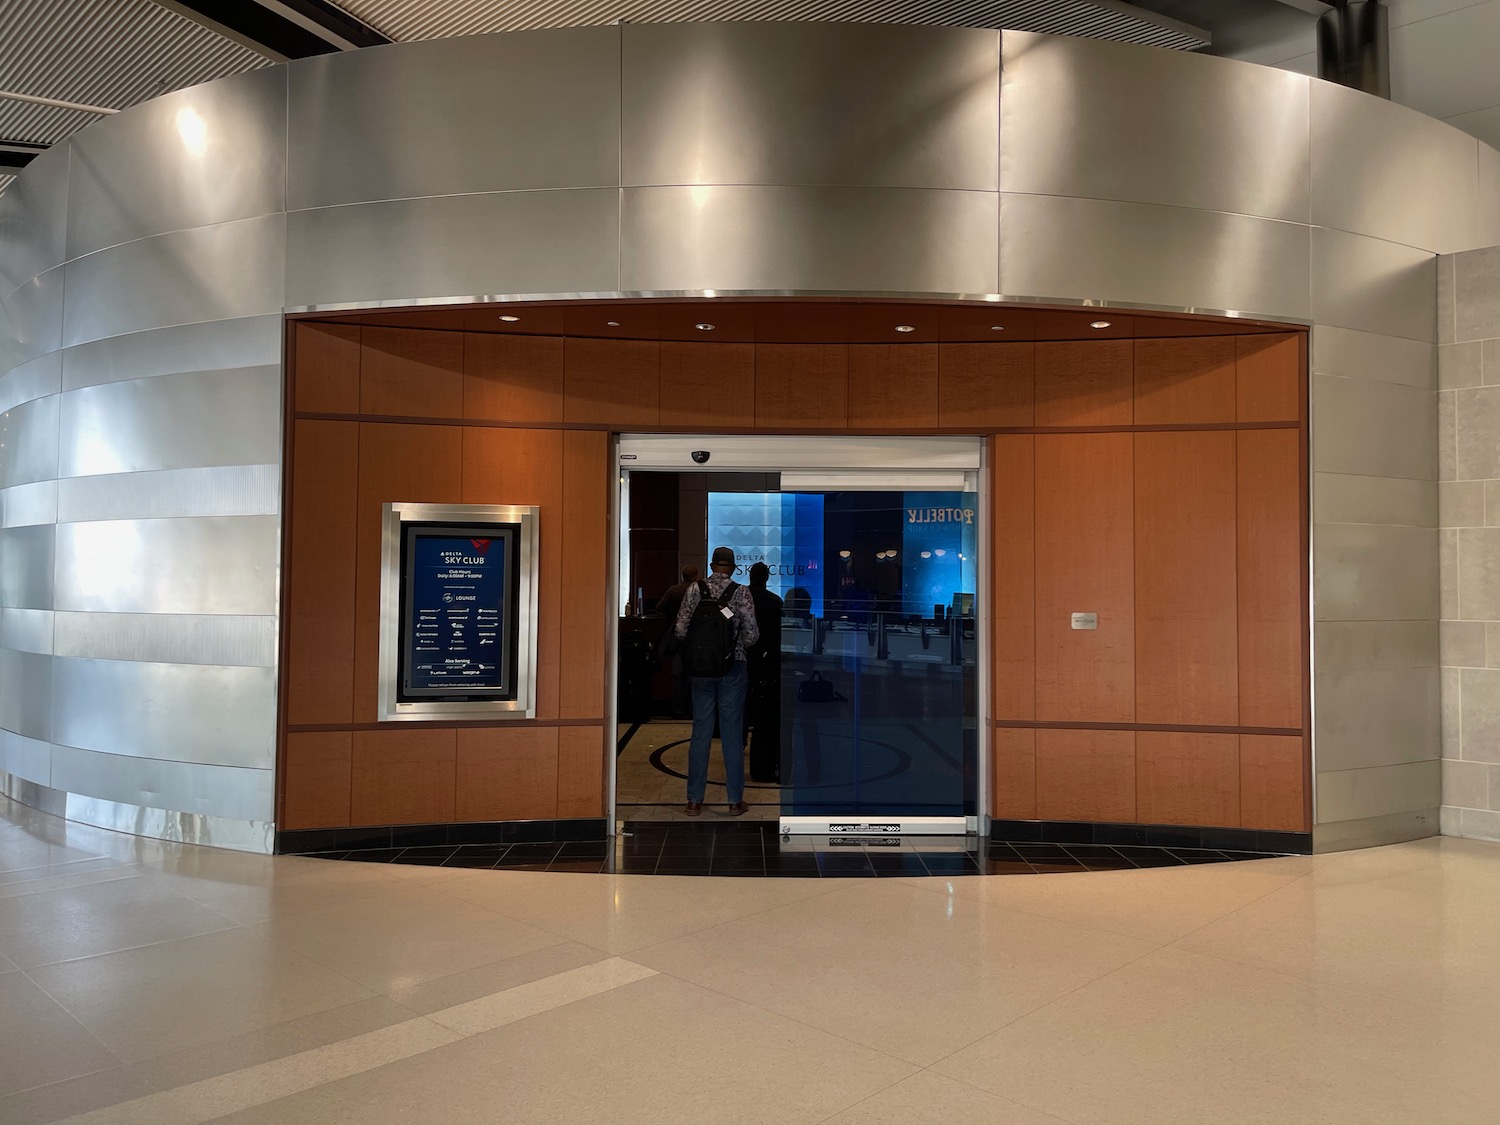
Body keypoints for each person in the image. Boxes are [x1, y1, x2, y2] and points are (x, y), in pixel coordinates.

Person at [674, 546, 758, 815]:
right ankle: (734, 801)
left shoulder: (694, 590)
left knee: (700, 733)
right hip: (732, 667)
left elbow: (680, 630)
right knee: (733, 735)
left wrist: (701, 650)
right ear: (733, 567)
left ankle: (694, 800)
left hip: (700, 671)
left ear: (711, 566)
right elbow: (752, 635)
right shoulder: (742, 592)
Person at [744, 561, 783, 784]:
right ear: (767, 578)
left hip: (742, 659)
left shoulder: (741, 598)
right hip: (766, 662)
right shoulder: (774, 602)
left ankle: (740, 741)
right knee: (765, 713)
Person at [655, 565, 699, 717]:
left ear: (682, 576)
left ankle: (678, 708)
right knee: (694, 674)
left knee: (678, 674)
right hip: (695, 638)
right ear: (695, 577)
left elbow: (659, 608)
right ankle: (692, 708)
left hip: (676, 637)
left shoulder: (673, 590)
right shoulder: (700, 592)